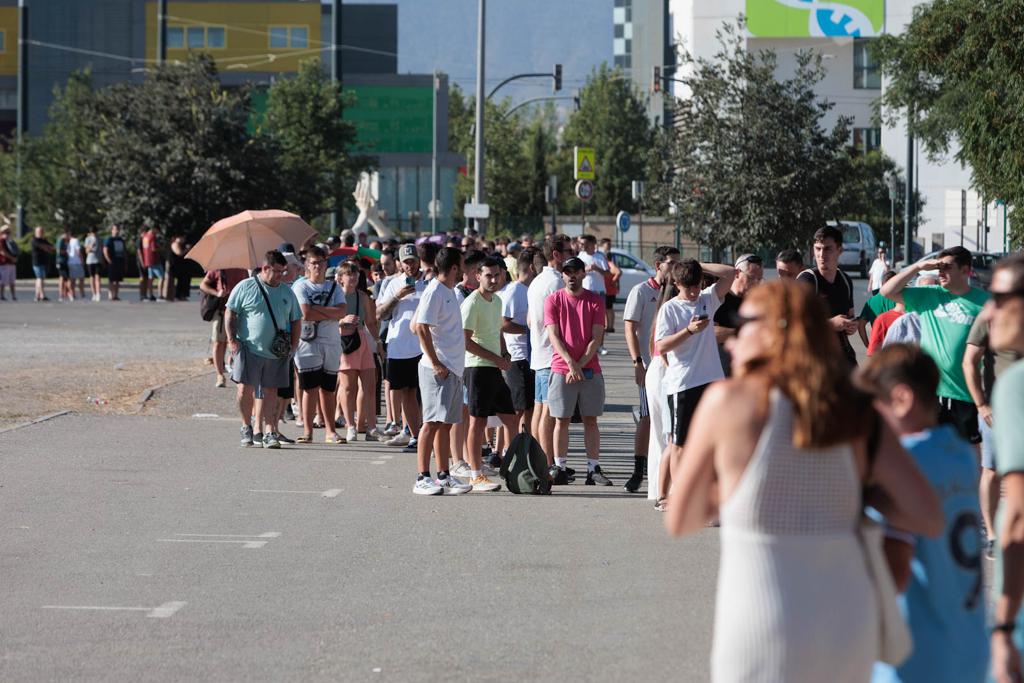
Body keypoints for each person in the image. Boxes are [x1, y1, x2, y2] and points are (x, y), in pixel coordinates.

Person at [665, 279, 943, 683]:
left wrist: (735, 487)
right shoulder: (856, 410)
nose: (731, 340)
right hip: (847, 624)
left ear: (778, 328)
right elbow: (928, 516)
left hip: (761, 629)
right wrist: (857, 495)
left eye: (744, 324)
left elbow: (681, 518)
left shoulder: (729, 402)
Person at [855, 344, 988, 683]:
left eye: (873, 407)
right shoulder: (957, 451)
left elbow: (894, 570)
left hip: (916, 654)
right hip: (969, 642)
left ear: (901, 400)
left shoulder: (905, 464)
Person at [881, 246, 990, 446]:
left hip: (963, 393)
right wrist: (919, 267)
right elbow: (886, 291)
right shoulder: (929, 295)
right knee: (928, 453)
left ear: (965, 270)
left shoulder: (984, 302)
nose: (941, 272)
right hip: (930, 392)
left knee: (966, 454)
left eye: (947, 267)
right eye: (938, 267)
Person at [654, 259, 736, 509]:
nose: (693, 291)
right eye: (688, 286)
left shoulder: (707, 298)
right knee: (680, 443)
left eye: (697, 285)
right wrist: (689, 331)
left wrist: (697, 264)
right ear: (677, 284)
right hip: (683, 384)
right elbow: (661, 345)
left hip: (711, 380)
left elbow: (731, 273)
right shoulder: (670, 309)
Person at [986, 254, 1024, 683]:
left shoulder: (1016, 386)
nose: (989, 311)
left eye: (999, 297)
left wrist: (1004, 627)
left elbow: (1017, 517)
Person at [545, 256, 613, 486]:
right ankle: (559, 467)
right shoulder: (553, 300)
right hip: (561, 369)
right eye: (567, 271)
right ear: (562, 275)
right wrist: (571, 364)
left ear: (583, 274)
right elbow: (554, 335)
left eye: (576, 271)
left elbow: (596, 338)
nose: (571, 275)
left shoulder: (595, 300)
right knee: (560, 419)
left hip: (589, 369)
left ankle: (593, 468)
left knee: (590, 419)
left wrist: (580, 364)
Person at [411, 247, 474, 495]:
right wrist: (436, 362)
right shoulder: (434, 291)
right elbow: (421, 327)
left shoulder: (448, 291)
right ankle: (421, 477)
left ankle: (443, 475)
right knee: (431, 422)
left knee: (445, 424)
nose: (466, 269)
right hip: (437, 369)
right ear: (455, 268)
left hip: (453, 368)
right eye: (463, 264)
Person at [225, 250, 301, 449]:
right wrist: (232, 340)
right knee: (244, 389)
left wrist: (293, 345)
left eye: (283, 271)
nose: (280, 276)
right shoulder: (245, 286)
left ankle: (269, 431)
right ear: (265, 268)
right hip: (248, 347)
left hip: (277, 350)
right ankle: (246, 426)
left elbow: (296, 318)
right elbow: (230, 313)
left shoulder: (286, 292)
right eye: (277, 271)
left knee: (271, 391)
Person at [964, 308, 1021, 559]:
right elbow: (969, 361)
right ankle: (992, 535)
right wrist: (981, 404)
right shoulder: (991, 316)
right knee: (992, 470)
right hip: (996, 410)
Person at [622, 245, 680, 493]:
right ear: (658, 266)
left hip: (673, 368)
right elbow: (630, 328)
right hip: (650, 365)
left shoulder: (677, 291)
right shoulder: (641, 291)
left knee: (669, 422)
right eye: (672, 263)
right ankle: (639, 471)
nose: (676, 268)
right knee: (647, 418)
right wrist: (637, 362)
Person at [460, 256, 518, 492]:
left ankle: (513, 464)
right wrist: (496, 358)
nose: (493, 280)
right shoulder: (472, 303)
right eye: (488, 276)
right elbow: (465, 341)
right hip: (476, 367)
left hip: (494, 367)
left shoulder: (497, 300)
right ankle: (475, 474)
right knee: (478, 421)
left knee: (511, 419)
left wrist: (504, 354)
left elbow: (497, 331)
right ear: (478, 276)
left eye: (497, 275)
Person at [291, 246, 347, 445]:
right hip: (308, 342)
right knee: (310, 388)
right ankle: (308, 431)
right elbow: (305, 313)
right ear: (307, 265)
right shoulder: (300, 286)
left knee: (328, 388)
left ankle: (330, 431)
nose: (317, 266)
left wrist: (319, 310)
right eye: (313, 263)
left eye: (321, 262)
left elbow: (342, 311)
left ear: (326, 264)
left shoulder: (335, 287)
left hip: (331, 342)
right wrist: (329, 312)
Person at [375, 243, 427, 450]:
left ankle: (423, 433)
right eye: (406, 262)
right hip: (399, 347)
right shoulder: (392, 284)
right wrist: (398, 296)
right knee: (406, 392)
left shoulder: (428, 283)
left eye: (413, 261)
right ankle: (414, 434)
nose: (410, 265)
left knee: (421, 393)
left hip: (424, 347)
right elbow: (380, 314)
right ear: (399, 263)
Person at [528, 237, 569, 473]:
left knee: (540, 408)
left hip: (540, 352)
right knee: (547, 412)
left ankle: (541, 459)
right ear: (557, 254)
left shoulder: (537, 281)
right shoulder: (555, 283)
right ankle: (547, 463)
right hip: (551, 355)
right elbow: (561, 322)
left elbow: (531, 320)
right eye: (568, 250)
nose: (572, 254)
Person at [797, 226, 859, 366]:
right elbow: (794, 322)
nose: (821, 255)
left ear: (840, 250)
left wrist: (851, 325)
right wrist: (831, 324)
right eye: (818, 249)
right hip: (814, 359)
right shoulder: (807, 280)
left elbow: (850, 314)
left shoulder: (845, 280)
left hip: (843, 357)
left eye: (827, 249)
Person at [337, 259, 380, 443]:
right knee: (348, 388)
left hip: (362, 339)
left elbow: (370, 321)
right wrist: (342, 320)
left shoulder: (363, 296)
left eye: (355, 273)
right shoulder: (335, 296)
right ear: (340, 278)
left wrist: (378, 342)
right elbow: (327, 319)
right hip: (344, 341)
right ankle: (351, 426)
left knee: (370, 385)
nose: (353, 277)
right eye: (349, 274)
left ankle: (371, 428)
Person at [498, 248, 538, 438]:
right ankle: (509, 450)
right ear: (531, 267)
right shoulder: (514, 290)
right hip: (517, 357)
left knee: (529, 408)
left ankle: (524, 445)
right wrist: (530, 330)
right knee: (518, 410)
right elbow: (502, 323)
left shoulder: (532, 290)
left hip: (531, 357)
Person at [713, 253, 764, 376]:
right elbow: (709, 332)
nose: (756, 283)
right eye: (751, 278)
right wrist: (743, 332)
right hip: (718, 370)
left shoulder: (755, 302)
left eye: (759, 279)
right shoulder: (717, 297)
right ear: (737, 273)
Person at [199, 267, 248, 388]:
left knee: (238, 342)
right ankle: (220, 375)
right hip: (221, 311)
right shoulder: (218, 268)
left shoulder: (242, 269)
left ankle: (236, 371)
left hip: (239, 311)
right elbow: (203, 284)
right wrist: (217, 293)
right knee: (218, 342)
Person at [858, 272, 897, 349]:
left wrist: (868, 345)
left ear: (882, 284)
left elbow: (860, 325)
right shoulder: (900, 301)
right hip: (896, 348)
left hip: (877, 348)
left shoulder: (871, 302)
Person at [600, 237, 622, 333]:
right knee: (607, 308)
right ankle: (608, 325)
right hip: (607, 289)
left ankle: (610, 326)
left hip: (609, 289)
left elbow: (618, 272)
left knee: (608, 308)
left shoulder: (609, 263)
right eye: (607, 245)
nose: (609, 246)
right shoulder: (608, 260)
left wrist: (613, 281)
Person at [103, 225, 127, 301]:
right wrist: (109, 260)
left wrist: (125, 261)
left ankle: (116, 295)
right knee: (111, 279)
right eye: (115, 229)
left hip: (119, 261)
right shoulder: (109, 239)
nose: (117, 231)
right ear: (112, 230)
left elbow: (124, 251)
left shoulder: (121, 240)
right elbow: (105, 250)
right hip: (112, 261)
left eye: (118, 229)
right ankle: (110, 295)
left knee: (117, 280)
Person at [140, 225, 163, 302]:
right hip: (154, 260)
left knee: (151, 278)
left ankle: (151, 295)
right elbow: (154, 249)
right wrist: (160, 248)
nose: (157, 233)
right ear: (154, 229)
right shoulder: (152, 236)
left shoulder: (145, 237)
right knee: (161, 277)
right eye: (157, 231)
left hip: (147, 260)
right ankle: (160, 295)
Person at [31, 227, 54, 302]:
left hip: (44, 262)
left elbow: (51, 247)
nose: (41, 233)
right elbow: (42, 247)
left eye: (42, 231)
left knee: (40, 279)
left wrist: (47, 248)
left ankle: (37, 296)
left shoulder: (44, 240)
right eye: (39, 231)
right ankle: (42, 295)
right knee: (40, 278)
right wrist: (46, 248)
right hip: (37, 262)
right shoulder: (34, 240)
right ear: (36, 232)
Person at [84, 228, 102, 301]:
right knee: (92, 278)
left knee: (98, 277)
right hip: (90, 261)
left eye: (95, 232)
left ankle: (98, 293)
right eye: (92, 232)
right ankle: (93, 294)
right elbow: (87, 251)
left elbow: (101, 249)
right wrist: (91, 245)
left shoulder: (100, 239)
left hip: (98, 260)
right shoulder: (88, 239)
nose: (94, 234)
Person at [0, 226, 17, 301]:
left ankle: (13, 296)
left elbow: (15, 250)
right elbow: (2, 251)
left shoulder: (10, 241)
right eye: (5, 232)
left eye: (8, 232)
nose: (7, 233)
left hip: (11, 263)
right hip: (4, 263)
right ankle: (2, 295)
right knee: (3, 281)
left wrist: (15, 258)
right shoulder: (1, 240)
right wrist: (11, 258)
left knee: (12, 281)